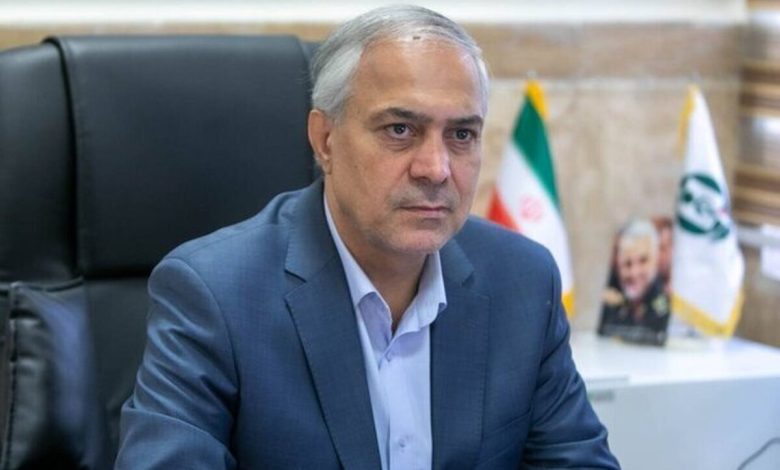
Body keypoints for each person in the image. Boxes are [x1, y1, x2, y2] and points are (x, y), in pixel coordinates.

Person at [116, 5, 619, 469]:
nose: (436, 168)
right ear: (325, 140)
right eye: (400, 129)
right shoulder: (216, 294)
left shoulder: (522, 279)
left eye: (461, 134)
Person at [600, 218, 670, 345]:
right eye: (627, 263)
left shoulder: (666, 305)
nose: (634, 273)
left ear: (656, 260)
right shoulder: (610, 303)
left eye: (643, 261)